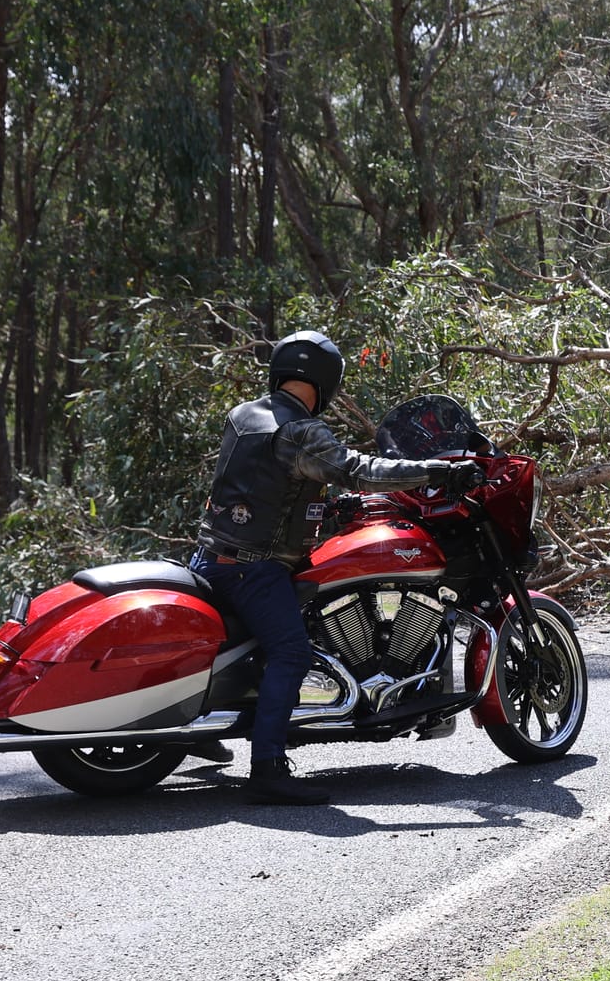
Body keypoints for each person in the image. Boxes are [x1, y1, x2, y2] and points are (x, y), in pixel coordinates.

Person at [189, 331, 478, 805]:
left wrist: (327, 508)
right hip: (254, 569)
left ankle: (202, 722)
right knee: (290, 653)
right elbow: (358, 467)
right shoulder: (300, 431)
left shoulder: (244, 414)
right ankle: (267, 767)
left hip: (213, 555)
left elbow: (263, 484)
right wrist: (437, 471)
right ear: (327, 381)